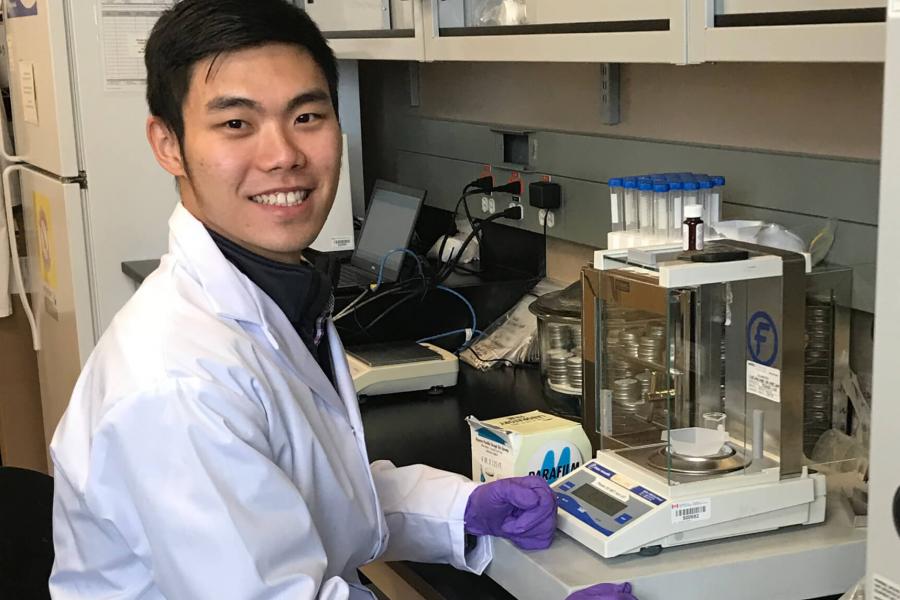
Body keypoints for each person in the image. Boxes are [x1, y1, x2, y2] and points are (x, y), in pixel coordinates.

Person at [48, 1, 635, 599]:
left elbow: (323, 493)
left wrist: (463, 508)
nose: (283, 155)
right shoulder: (176, 383)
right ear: (167, 143)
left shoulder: (277, 296)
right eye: (236, 124)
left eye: (306, 115)